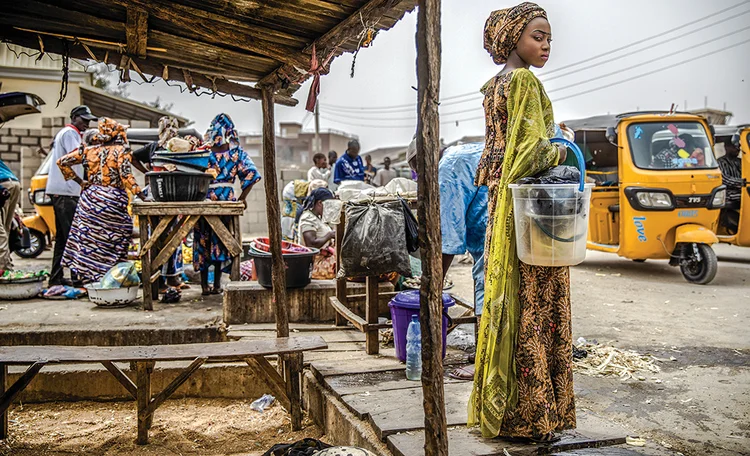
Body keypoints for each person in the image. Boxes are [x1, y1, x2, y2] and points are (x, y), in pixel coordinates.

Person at [469, 4, 575, 443]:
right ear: (513, 37)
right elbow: (531, 154)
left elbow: (502, 152)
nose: (546, 45)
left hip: (500, 209)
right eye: (538, 36)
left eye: (549, 37)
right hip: (530, 214)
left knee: (506, 299)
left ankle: (508, 410)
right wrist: (562, 147)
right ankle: (535, 415)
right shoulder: (526, 81)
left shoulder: (495, 86)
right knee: (534, 302)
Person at [407, 139, 487, 380]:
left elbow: (449, 241)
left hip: (493, 234)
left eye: (416, 170)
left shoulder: (447, 168)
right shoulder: (464, 151)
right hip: (512, 224)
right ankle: (492, 357)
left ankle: (484, 364)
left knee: (488, 290)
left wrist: (432, 288)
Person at [57, 118, 145, 283]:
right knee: (118, 236)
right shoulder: (120, 151)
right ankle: (110, 278)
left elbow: (61, 162)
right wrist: (143, 196)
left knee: (90, 241)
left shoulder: (88, 151)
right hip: (111, 201)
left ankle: (91, 280)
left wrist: (80, 182)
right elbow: (127, 177)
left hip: (89, 200)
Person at [194, 113, 261, 295]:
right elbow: (252, 174)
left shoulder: (203, 152)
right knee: (222, 240)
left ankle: (204, 287)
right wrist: (242, 199)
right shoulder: (236, 152)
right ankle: (217, 285)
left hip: (204, 198)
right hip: (227, 198)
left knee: (203, 239)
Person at [46, 105, 97, 286]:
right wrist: (81, 181)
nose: (86, 124)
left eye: (88, 121)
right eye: (84, 120)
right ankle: (78, 279)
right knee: (74, 237)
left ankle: (56, 278)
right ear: (74, 117)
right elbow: (76, 158)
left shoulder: (70, 133)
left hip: (63, 192)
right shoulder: (70, 134)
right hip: (65, 192)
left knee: (62, 238)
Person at [296, 187, 336, 279]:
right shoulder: (308, 218)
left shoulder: (318, 218)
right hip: (315, 264)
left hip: (324, 258)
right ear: (319, 203)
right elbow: (311, 244)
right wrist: (329, 235)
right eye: (329, 205)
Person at [718, 137, 743, 234]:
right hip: (729, 193)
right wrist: (743, 183)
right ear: (726, 147)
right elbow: (725, 179)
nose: (738, 149)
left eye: (739, 146)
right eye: (735, 146)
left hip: (742, 190)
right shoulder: (721, 162)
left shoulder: (741, 162)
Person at [0, 159, 21, 270]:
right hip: (14, 183)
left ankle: (4, 267)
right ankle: (6, 261)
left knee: (0, 231)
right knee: (5, 228)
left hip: (2, 186)